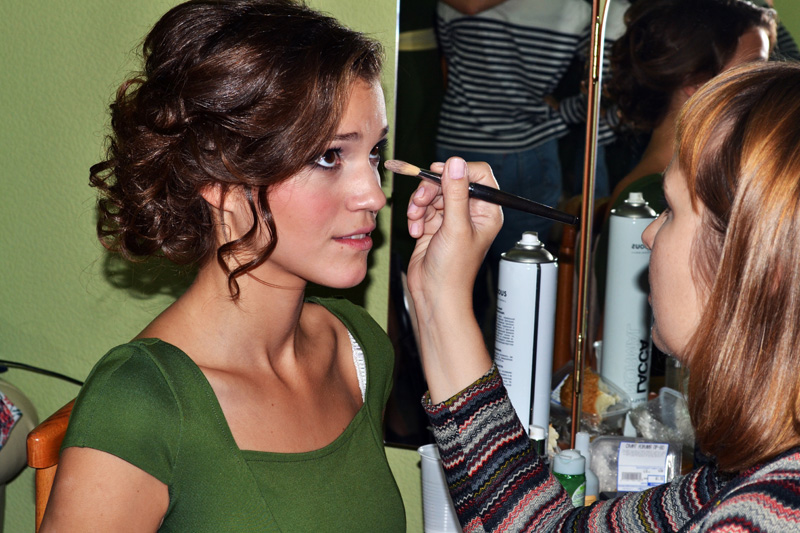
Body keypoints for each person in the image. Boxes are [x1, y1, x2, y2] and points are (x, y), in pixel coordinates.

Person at [41, 1, 406, 531]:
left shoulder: (358, 352)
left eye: (374, 154)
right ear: (219, 177)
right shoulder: (141, 402)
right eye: (329, 156)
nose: (374, 195)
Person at [406, 60, 800, 531]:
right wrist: (439, 296)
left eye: (670, 210)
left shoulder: (759, 517)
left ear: (757, 263)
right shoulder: (737, 479)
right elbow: (542, 528)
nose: (649, 234)